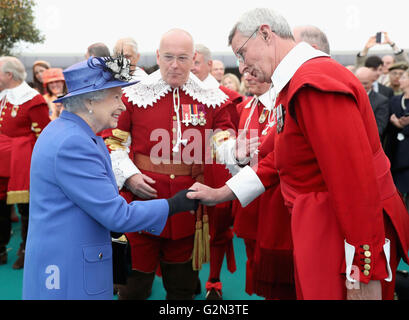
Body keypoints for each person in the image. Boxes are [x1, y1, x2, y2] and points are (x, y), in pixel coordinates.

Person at [188, 7, 409, 300]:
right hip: (321, 229)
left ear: (265, 34)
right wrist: (222, 194)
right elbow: (275, 159)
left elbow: (353, 182)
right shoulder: (296, 84)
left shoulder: (313, 84)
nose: (241, 66)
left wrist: (362, 270)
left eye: (242, 53)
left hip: (337, 234)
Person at [22, 55, 198, 300]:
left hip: (66, 258)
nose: (123, 105)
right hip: (69, 269)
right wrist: (173, 205)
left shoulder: (69, 131)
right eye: (116, 96)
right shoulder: (74, 142)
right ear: (90, 101)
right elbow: (117, 216)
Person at [105, 28, 237, 300]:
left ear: (193, 58)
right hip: (139, 205)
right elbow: (112, 143)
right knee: (133, 289)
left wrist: (237, 151)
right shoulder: (132, 95)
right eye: (168, 57)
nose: (174, 65)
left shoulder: (211, 98)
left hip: (188, 209)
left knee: (182, 291)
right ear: (157, 56)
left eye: (182, 58)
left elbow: (222, 139)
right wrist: (129, 177)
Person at [232, 72, 295, 299]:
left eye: (253, 69)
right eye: (242, 66)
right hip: (251, 197)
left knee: (284, 275)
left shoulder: (286, 105)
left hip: (278, 200)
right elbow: (238, 157)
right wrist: (237, 157)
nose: (246, 75)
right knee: (256, 262)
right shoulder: (244, 107)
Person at [191, 43, 242, 300]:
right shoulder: (171, 96)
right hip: (183, 174)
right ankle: (188, 280)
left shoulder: (227, 98)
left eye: (196, 61)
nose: (190, 67)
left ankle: (214, 282)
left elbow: (230, 139)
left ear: (210, 65)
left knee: (218, 232)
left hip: (216, 174)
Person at [0, 56, 50, 269]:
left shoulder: (32, 99)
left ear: (8, 75)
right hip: (2, 161)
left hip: (23, 162)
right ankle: (1, 247)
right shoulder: (3, 95)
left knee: (27, 208)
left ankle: (27, 249)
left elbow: (45, 135)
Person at [387, 68, 409, 210]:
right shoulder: (395, 100)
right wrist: (396, 124)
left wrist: (405, 127)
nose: (399, 79)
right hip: (397, 158)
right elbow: (389, 127)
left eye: (403, 77)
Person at [355, 67, 389, 140]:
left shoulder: (381, 101)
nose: (361, 86)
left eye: (365, 83)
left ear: (373, 81)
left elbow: (379, 128)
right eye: (358, 82)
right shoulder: (349, 98)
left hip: (369, 143)